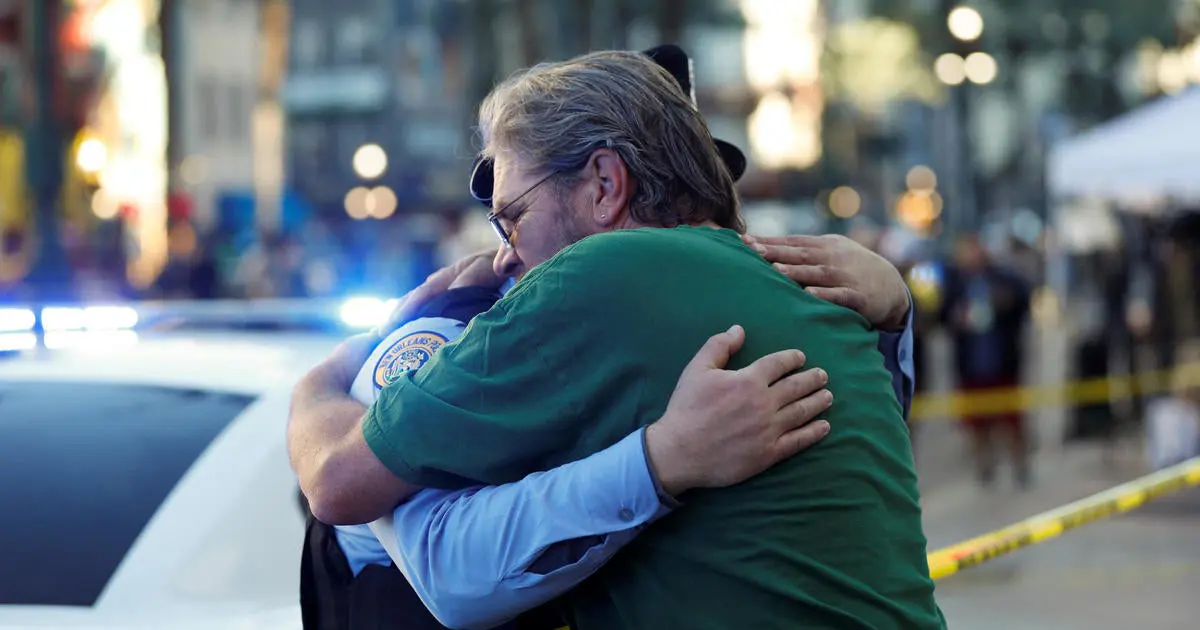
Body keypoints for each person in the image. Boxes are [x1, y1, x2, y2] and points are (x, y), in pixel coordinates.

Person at [290, 50, 941, 629]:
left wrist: (320, 382)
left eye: (513, 217)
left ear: (605, 185)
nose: (508, 258)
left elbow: (338, 483)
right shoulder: (813, 286)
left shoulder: (599, 274)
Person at [940, 234, 1032, 488]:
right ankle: (985, 466)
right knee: (977, 423)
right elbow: (942, 314)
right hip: (971, 365)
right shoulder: (956, 282)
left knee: (1012, 421)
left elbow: (1023, 303)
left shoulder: (1004, 277)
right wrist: (955, 317)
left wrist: (1006, 301)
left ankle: (1020, 466)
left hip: (1002, 361)